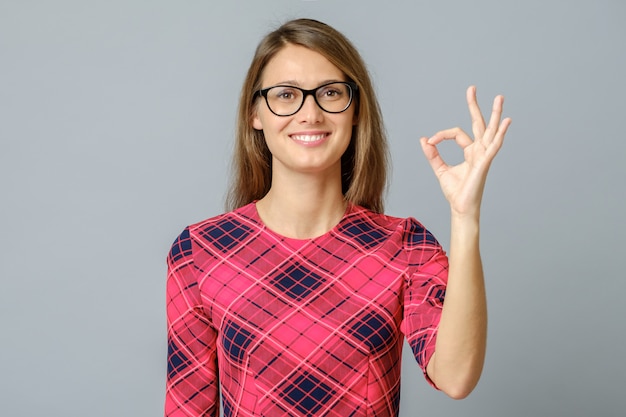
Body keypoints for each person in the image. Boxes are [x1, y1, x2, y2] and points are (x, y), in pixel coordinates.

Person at [164, 18, 511, 417]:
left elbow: (455, 377)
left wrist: (465, 218)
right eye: (286, 95)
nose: (310, 113)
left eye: (330, 93)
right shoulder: (201, 252)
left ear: (356, 110)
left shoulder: (405, 247)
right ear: (254, 114)